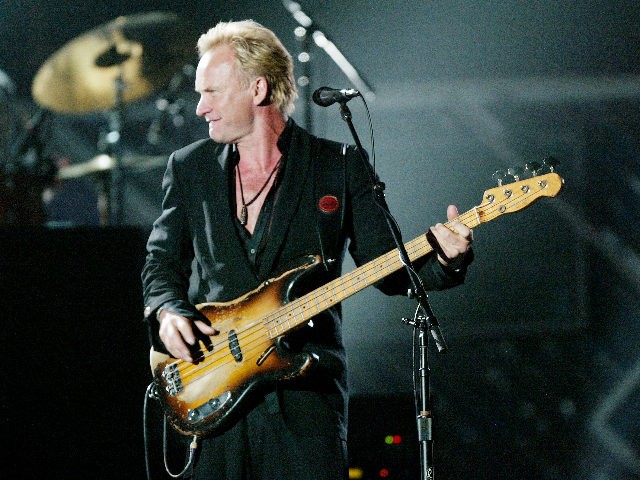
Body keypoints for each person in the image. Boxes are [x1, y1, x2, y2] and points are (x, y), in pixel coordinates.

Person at [141, 19, 474, 480]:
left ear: (257, 89)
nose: (200, 109)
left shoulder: (338, 167)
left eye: (212, 93)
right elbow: (161, 262)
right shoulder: (190, 168)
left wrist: (446, 259)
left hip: (304, 410)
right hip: (213, 396)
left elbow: (392, 271)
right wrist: (168, 312)